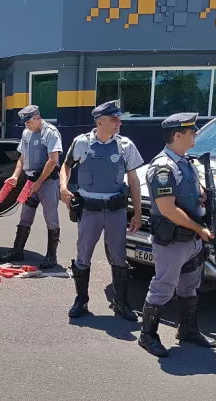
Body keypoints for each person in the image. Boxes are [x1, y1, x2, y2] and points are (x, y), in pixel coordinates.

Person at [138, 112, 216, 358]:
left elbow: (188, 195)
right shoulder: (164, 167)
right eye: (191, 131)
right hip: (173, 239)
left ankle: (188, 329)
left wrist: (201, 198)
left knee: (190, 286)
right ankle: (147, 335)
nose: (195, 134)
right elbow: (167, 209)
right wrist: (199, 229)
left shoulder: (185, 162)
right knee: (163, 287)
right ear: (177, 135)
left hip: (191, 239)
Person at [59, 99, 144, 321]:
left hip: (116, 210)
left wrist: (136, 212)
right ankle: (81, 301)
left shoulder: (126, 146)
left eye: (119, 118)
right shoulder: (82, 143)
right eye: (114, 119)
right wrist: (63, 188)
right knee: (83, 254)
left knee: (118, 256)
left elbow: (134, 181)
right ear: (100, 121)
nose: (119, 123)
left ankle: (121, 303)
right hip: (90, 210)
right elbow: (66, 166)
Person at [0, 105, 63, 270]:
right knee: (25, 216)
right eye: (25, 122)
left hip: (47, 182)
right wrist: (15, 176)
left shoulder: (50, 132)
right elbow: (22, 157)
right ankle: (17, 251)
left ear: (38, 117)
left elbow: (53, 160)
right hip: (30, 181)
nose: (26, 124)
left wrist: (39, 183)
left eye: (29, 121)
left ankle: (51, 256)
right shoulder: (26, 133)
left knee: (51, 218)